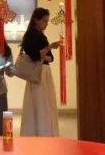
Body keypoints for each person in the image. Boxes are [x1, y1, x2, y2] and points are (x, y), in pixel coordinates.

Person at [20, 7, 59, 137]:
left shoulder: (42, 36)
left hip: (45, 72)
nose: (46, 24)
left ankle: (44, 131)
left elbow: (51, 58)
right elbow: (34, 55)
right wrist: (49, 48)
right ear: (36, 20)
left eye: (47, 21)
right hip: (38, 72)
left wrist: (45, 53)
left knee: (46, 102)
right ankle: (37, 132)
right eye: (44, 21)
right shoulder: (30, 36)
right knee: (38, 102)